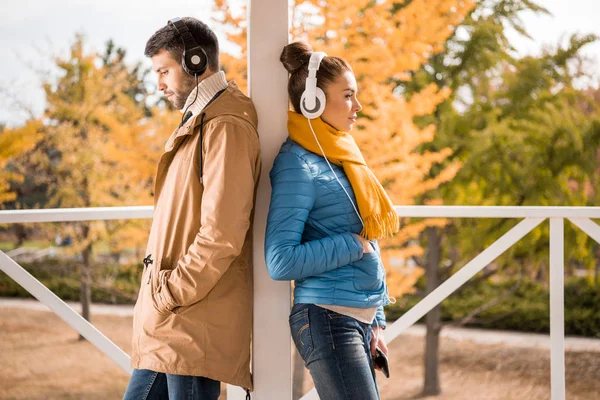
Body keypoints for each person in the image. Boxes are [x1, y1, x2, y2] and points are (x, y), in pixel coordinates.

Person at [123, 17, 260, 400]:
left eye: (164, 71)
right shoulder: (201, 121)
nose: (160, 85)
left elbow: (222, 233)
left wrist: (170, 293)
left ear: (196, 63)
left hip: (190, 322)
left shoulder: (225, 125)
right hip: (172, 325)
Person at [264, 42, 400, 400]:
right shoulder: (297, 163)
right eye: (348, 95)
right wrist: (352, 245)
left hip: (358, 318)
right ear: (313, 101)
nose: (358, 106)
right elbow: (281, 260)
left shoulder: (341, 155)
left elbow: (368, 234)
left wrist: (378, 322)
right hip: (327, 317)